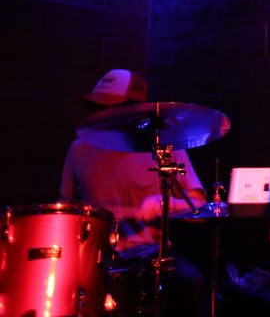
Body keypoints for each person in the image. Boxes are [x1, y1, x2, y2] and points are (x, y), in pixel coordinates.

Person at [60, 69, 209, 317]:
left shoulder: (164, 147)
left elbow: (198, 203)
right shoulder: (79, 149)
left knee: (190, 282)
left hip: (148, 254)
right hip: (95, 257)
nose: (98, 113)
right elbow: (65, 207)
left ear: (133, 110)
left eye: (105, 106)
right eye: (95, 106)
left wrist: (165, 203)